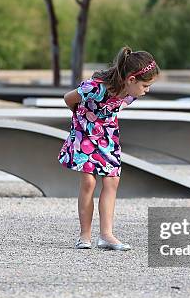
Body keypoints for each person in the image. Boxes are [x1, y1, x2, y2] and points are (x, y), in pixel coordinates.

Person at [58, 46, 159, 250]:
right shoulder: (95, 88)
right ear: (131, 79)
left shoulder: (130, 94)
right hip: (85, 134)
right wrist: (82, 119)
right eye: (145, 85)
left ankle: (106, 235)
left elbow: (117, 107)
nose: (147, 91)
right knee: (88, 182)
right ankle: (84, 235)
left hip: (108, 137)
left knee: (112, 181)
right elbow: (69, 99)